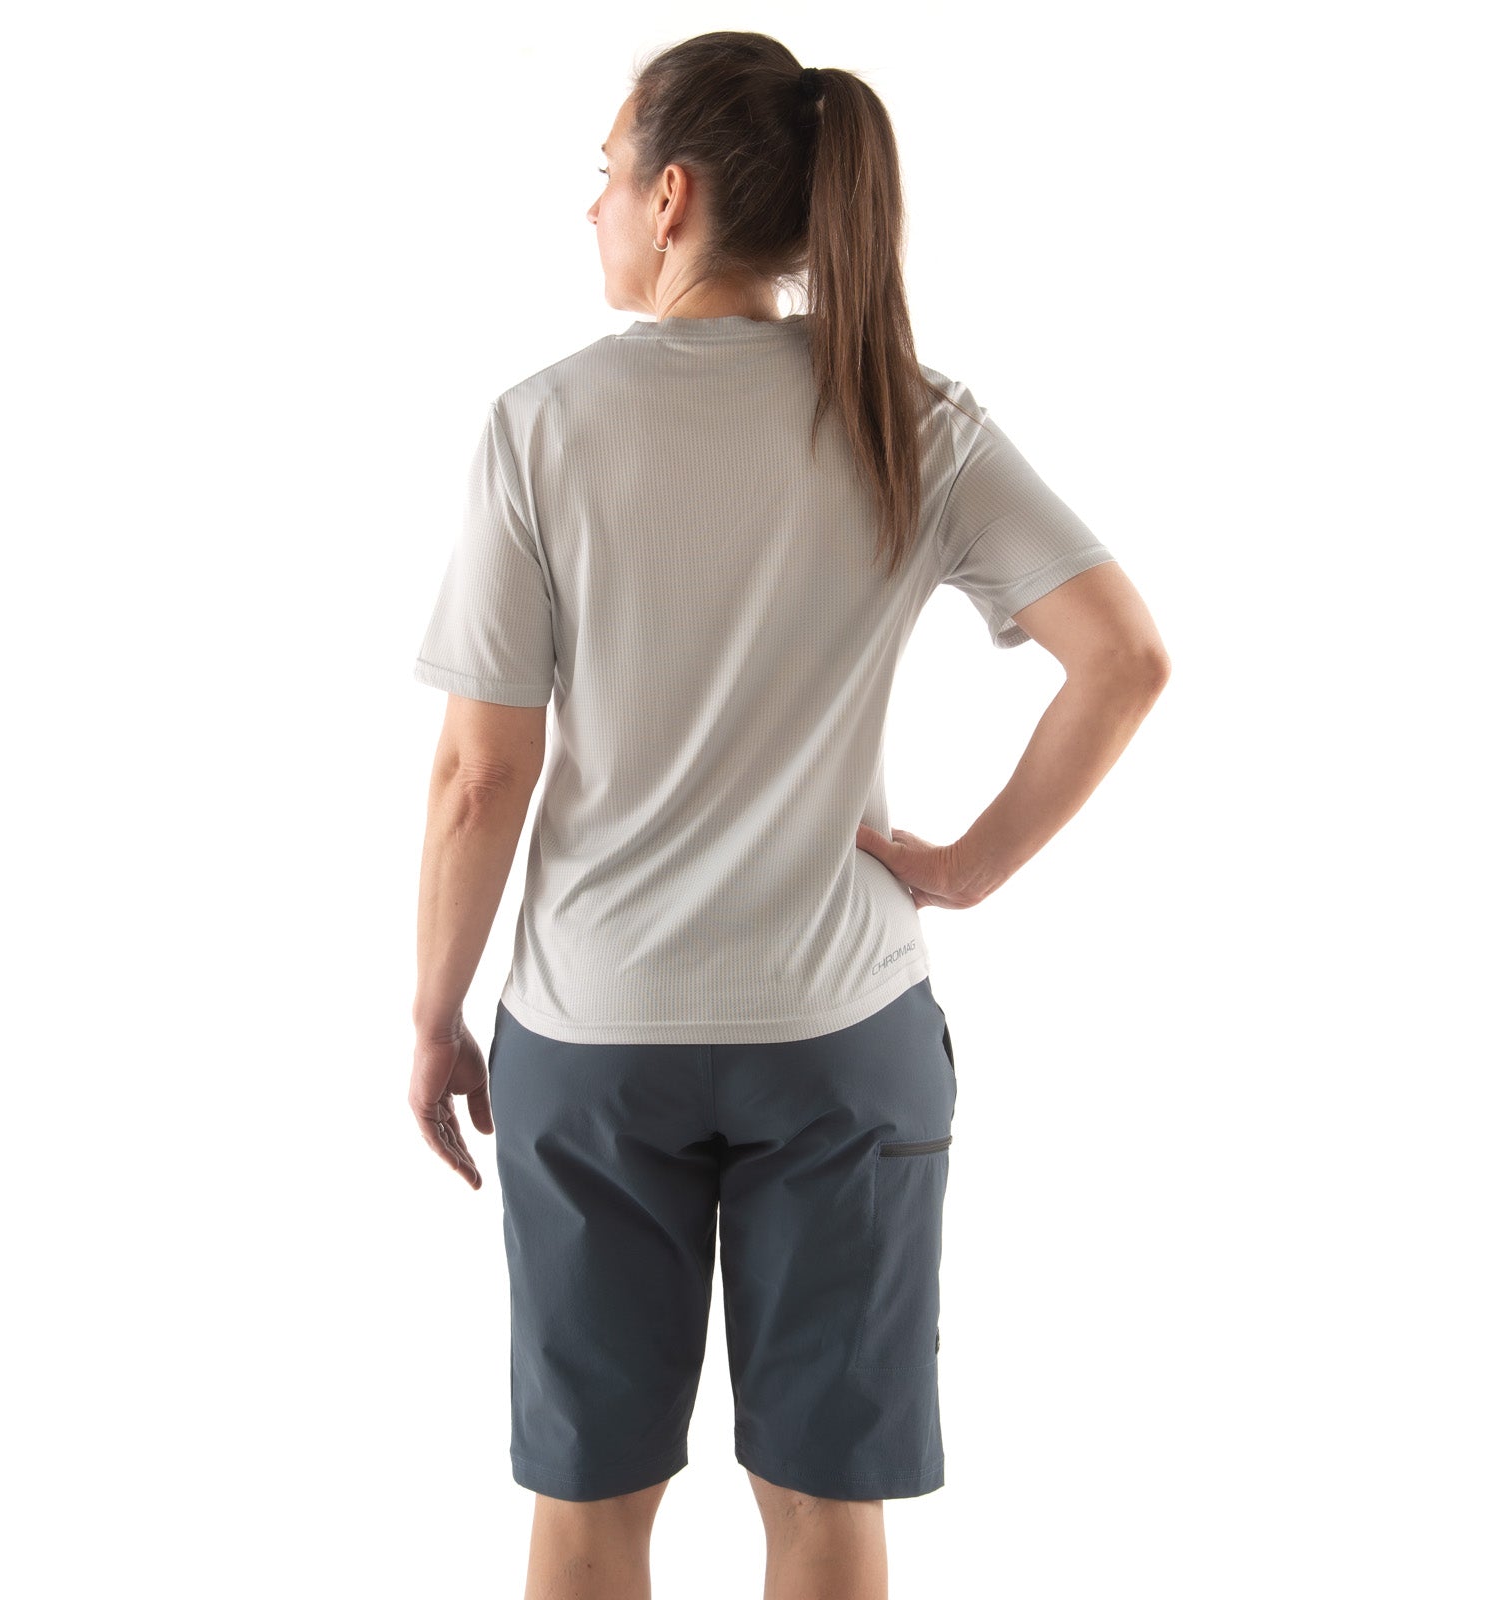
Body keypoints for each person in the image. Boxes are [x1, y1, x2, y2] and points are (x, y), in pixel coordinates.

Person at [408, 30, 1169, 1600]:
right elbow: (1125, 658)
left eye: (604, 173)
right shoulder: (909, 414)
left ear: (671, 195)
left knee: (590, 1509)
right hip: (841, 1038)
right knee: (824, 1508)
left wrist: (433, 1014)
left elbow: (482, 777)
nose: (592, 206)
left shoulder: (540, 427)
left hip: (595, 1041)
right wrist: (965, 870)